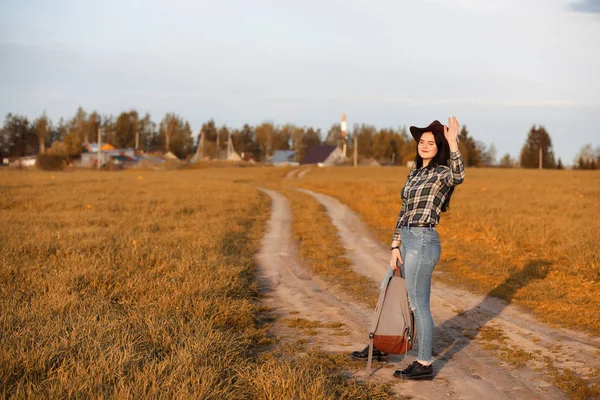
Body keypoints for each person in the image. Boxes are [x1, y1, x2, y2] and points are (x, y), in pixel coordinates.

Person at [351, 117, 465, 381]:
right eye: (422, 142)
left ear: (439, 147)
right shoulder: (414, 173)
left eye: (431, 142)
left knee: (417, 305)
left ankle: (424, 363)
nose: (424, 146)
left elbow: (459, 175)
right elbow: (404, 211)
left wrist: (453, 142)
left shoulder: (441, 174)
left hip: (423, 240)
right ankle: (382, 345)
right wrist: (394, 245)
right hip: (406, 239)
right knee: (387, 288)